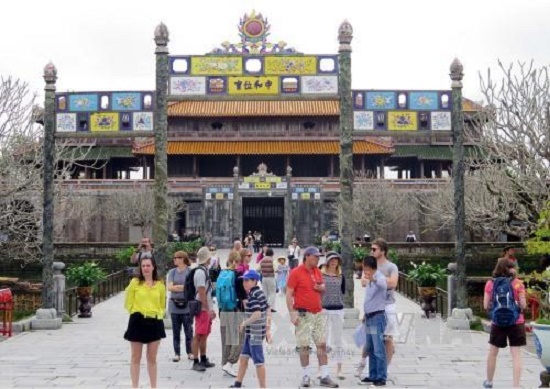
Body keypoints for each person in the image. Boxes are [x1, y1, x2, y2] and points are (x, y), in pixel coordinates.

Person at [286, 246, 339, 388]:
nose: (318, 259)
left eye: (318, 256)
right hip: (303, 314)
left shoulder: (317, 271)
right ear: (307, 256)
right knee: (304, 346)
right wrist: (292, 313)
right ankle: (306, 376)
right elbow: (289, 293)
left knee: (322, 345)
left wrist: (322, 289)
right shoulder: (296, 272)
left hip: (318, 313)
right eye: (315, 256)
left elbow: (322, 291)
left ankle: (325, 376)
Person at [356, 238, 399, 377]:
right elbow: (363, 282)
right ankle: (363, 363)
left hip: (388, 305)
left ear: (383, 251)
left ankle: (384, 369)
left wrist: (377, 278)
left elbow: (393, 284)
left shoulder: (391, 267)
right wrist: (379, 279)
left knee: (388, 337)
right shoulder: (370, 265)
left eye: (374, 249)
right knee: (370, 339)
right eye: (371, 249)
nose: (371, 251)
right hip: (373, 306)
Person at [482, 257, 527, 388]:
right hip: (516, 321)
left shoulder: (490, 283)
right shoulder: (518, 283)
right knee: (516, 355)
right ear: (510, 269)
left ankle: (489, 382)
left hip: (497, 322)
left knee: (493, 352)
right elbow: (523, 305)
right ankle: (516, 386)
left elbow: (486, 305)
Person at [123, 254, 166, 389]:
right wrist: (135, 312)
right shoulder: (135, 283)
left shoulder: (160, 285)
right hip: (137, 320)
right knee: (136, 357)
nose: (146, 268)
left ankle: (154, 386)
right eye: (143, 266)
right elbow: (128, 301)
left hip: (154, 321)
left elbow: (162, 303)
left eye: (148, 265)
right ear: (140, 268)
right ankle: (134, 386)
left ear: (153, 267)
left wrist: (157, 314)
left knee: (152, 358)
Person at [230, 269, 272, 388]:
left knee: (259, 362)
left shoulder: (253, 295)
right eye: (244, 280)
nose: (245, 283)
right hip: (254, 332)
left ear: (255, 281)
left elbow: (257, 314)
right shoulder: (260, 293)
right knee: (244, 357)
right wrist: (267, 328)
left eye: (248, 280)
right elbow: (268, 309)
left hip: (255, 333)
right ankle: (237, 383)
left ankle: (263, 387)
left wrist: (244, 323)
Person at [358, 255, 388, 387]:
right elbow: (369, 298)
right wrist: (365, 314)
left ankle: (381, 377)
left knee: (378, 349)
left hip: (377, 317)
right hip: (370, 317)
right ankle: (373, 374)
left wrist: (373, 279)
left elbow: (383, 286)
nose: (363, 270)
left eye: (364, 267)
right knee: (371, 348)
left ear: (369, 266)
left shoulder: (379, 277)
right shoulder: (369, 279)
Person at [319, 251, 346, 380]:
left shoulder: (341, 276)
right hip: (324, 310)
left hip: (338, 310)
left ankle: (339, 369)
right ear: (327, 261)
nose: (334, 261)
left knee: (338, 340)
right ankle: (322, 369)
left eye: (336, 259)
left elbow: (343, 292)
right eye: (332, 259)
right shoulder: (320, 275)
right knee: (323, 341)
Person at [191, 246, 217, 372]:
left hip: (205, 308)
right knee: (199, 335)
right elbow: (201, 292)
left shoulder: (204, 270)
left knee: (205, 334)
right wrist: (207, 309)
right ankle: (196, 361)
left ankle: (203, 358)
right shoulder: (200, 272)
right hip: (202, 309)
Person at [166, 251, 194, 362]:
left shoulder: (190, 272)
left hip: (187, 306)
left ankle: (190, 352)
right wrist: (183, 287)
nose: (174, 259)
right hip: (174, 305)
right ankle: (177, 353)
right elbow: (169, 287)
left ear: (182, 259)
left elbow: (191, 287)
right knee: (176, 331)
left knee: (188, 331)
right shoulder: (172, 272)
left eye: (176, 258)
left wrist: (178, 287)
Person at [219, 251, 241, 378]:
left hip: (223, 308)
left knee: (225, 338)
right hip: (233, 307)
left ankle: (224, 362)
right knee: (238, 338)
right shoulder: (236, 275)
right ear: (235, 261)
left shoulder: (222, 272)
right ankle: (230, 363)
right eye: (238, 262)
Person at [259, 247, 277, 312]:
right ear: (272, 254)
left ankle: (264, 307)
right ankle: (268, 306)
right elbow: (276, 269)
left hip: (264, 278)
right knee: (272, 293)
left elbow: (258, 269)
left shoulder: (262, 260)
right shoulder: (273, 260)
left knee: (265, 293)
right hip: (271, 278)